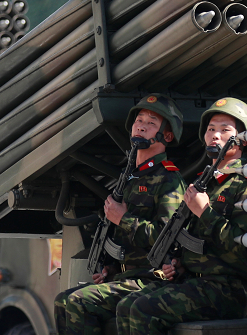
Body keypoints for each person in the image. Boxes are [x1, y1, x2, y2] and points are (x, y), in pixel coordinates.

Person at [116, 97, 247, 335]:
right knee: (126, 306)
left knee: (143, 309)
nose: (215, 135)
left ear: (242, 140)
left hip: (226, 289)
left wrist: (205, 212)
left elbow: (244, 251)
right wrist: (178, 264)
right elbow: (192, 241)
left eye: (225, 130)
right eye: (210, 129)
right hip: (193, 283)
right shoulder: (203, 185)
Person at [54, 94, 186, 335]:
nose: (142, 125)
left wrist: (123, 219)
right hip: (128, 278)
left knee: (78, 302)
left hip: (153, 279)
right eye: (139, 120)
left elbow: (168, 238)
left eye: (151, 123)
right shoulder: (130, 178)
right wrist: (110, 268)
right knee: (63, 301)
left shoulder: (168, 179)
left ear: (166, 136)